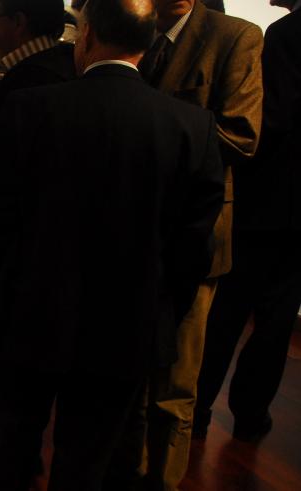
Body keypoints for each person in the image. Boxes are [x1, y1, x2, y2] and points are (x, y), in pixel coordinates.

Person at [0, 0, 224, 488]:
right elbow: (192, 248)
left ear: (85, 36)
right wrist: (157, 308)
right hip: (127, 325)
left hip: (30, 314)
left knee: (9, 451)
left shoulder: (29, 109)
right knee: (91, 461)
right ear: (148, 44)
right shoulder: (191, 128)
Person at [123, 0, 263, 487]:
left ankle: (162, 481)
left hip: (194, 235)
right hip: (134, 232)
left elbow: (243, 137)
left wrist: (156, 126)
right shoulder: (132, 31)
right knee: (129, 382)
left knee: (176, 387)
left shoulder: (235, 36)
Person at [0, 0, 75, 466]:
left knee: (17, 379)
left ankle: (11, 456)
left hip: (23, 257)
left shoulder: (30, 84)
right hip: (53, 251)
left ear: (19, 23)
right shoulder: (61, 70)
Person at [193, 0, 301, 444]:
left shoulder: (286, 35)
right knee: (276, 320)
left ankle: (197, 411)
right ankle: (251, 415)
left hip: (266, 199)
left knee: (227, 311)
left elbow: (269, 120)